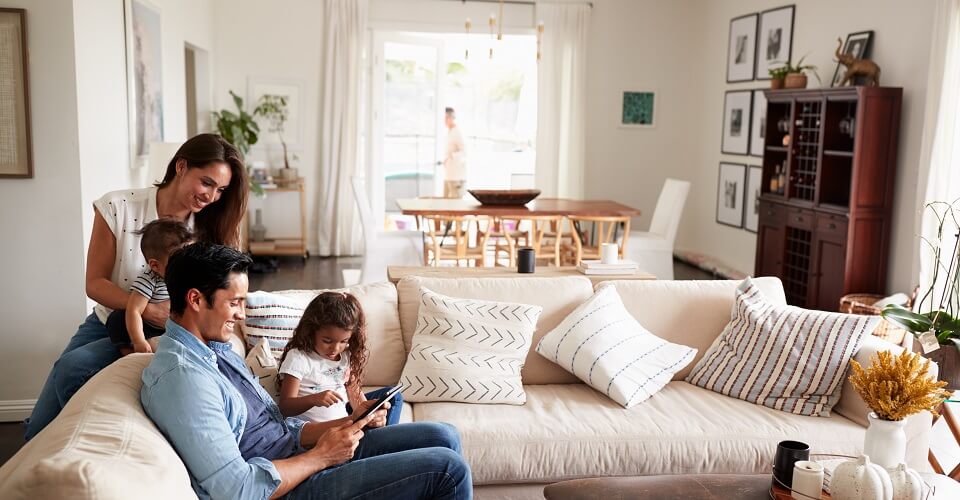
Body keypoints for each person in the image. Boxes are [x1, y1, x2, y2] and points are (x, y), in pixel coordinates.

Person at [142, 243, 472, 499]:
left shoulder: (216, 350)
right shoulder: (183, 379)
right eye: (234, 302)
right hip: (291, 485)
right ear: (197, 300)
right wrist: (323, 457)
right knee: (447, 469)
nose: (241, 315)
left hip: (300, 454)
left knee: (444, 435)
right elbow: (237, 490)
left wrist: (348, 422)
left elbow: (278, 426)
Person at [25, 133, 249, 440]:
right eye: (207, 183)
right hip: (110, 317)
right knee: (38, 426)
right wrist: (148, 308)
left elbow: (223, 294)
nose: (212, 196)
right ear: (181, 166)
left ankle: (83, 442)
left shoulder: (211, 226)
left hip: (170, 330)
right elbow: (95, 284)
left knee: (74, 368)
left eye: (221, 189)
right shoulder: (118, 207)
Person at [277, 292, 403, 426]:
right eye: (327, 341)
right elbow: (285, 407)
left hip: (347, 423)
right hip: (322, 432)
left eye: (344, 341)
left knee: (394, 398)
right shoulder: (299, 357)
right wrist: (314, 399)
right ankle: (383, 439)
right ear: (311, 331)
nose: (335, 348)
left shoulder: (345, 356)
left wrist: (369, 416)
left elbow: (355, 395)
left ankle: (381, 434)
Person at [104, 218, 193, 356]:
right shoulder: (149, 280)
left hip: (174, 328)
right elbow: (134, 310)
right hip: (148, 328)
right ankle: (129, 353)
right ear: (155, 265)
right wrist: (138, 340)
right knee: (118, 318)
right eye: (178, 261)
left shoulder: (190, 278)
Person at [442, 107, 467, 199]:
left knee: (455, 206)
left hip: (456, 177)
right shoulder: (449, 132)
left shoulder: (458, 132)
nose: (443, 120)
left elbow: (464, 152)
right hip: (449, 175)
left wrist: (451, 157)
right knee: (445, 205)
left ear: (450, 118)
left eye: (444, 118)